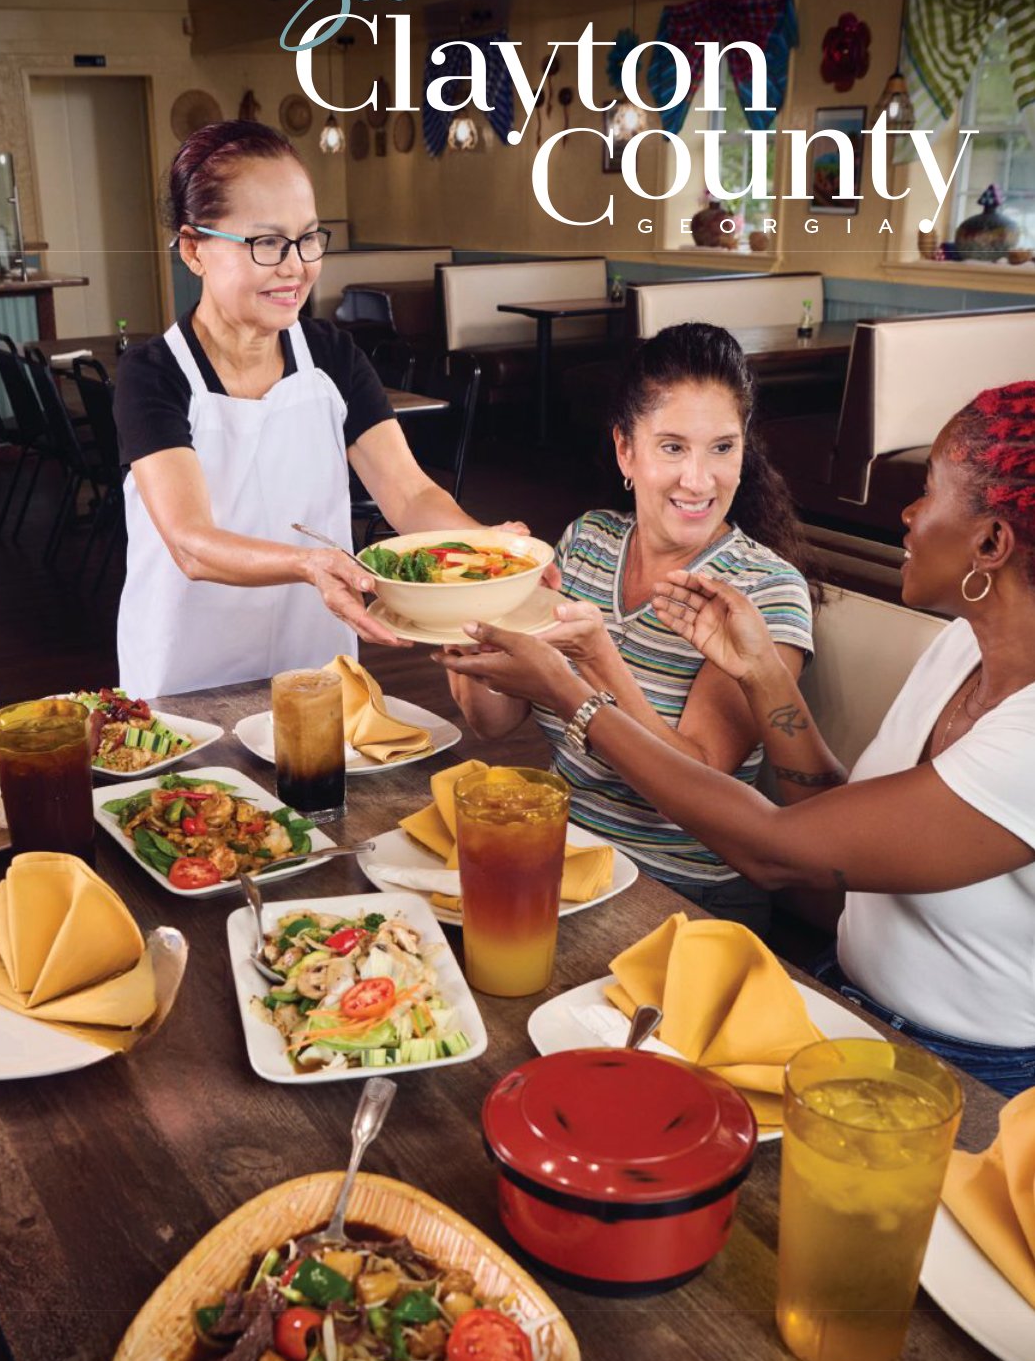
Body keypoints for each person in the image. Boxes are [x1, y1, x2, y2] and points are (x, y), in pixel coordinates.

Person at [435, 382, 1035, 1097]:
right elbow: (837, 825)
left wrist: (576, 694)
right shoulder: (961, 649)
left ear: (992, 542)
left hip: (964, 1072)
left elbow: (777, 852)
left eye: (927, 492)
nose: (907, 514)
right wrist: (761, 676)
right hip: (843, 1000)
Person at [114, 120, 515, 693]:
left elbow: (409, 493)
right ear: (193, 247)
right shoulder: (154, 373)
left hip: (315, 665)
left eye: (307, 239)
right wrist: (308, 564)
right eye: (268, 243)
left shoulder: (330, 354)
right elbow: (190, 542)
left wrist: (493, 557)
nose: (296, 265)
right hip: (187, 673)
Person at [444, 322, 817, 928]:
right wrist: (479, 606)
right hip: (563, 857)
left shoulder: (764, 591)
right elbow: (493, 721)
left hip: (684, 895)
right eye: (672, 447)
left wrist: (597, 661)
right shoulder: (589, 540)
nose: (699, 479)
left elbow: (700, 789)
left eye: (722, 447)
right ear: (626, 451)